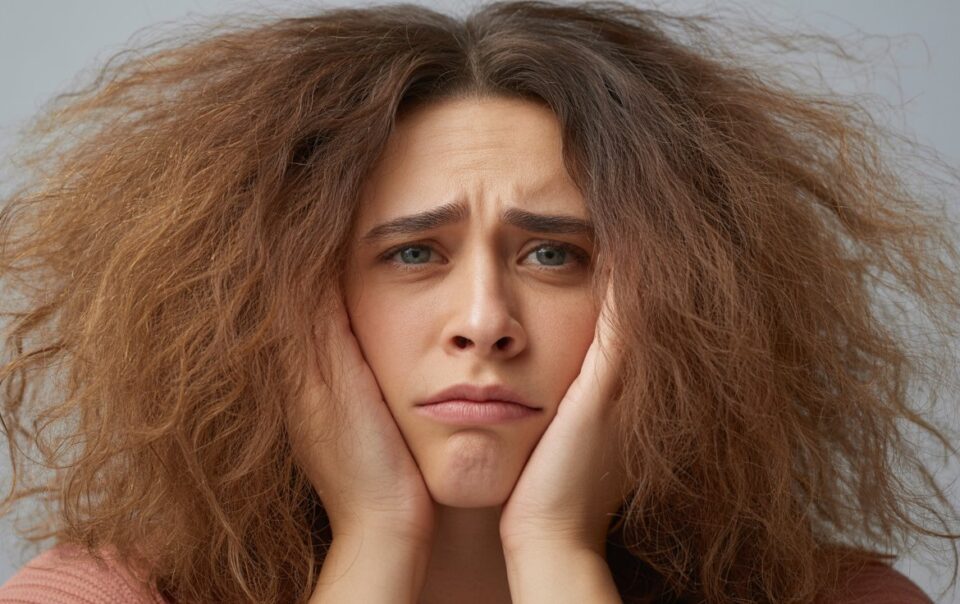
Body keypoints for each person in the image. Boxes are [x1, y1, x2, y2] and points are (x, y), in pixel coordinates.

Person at [0, 1, 957, 602]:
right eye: (414, 251)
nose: (485, 321)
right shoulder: (102, 596)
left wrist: (558, 552)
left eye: (554, 254)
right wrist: (375, 537)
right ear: (279, 298)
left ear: (681, 293)